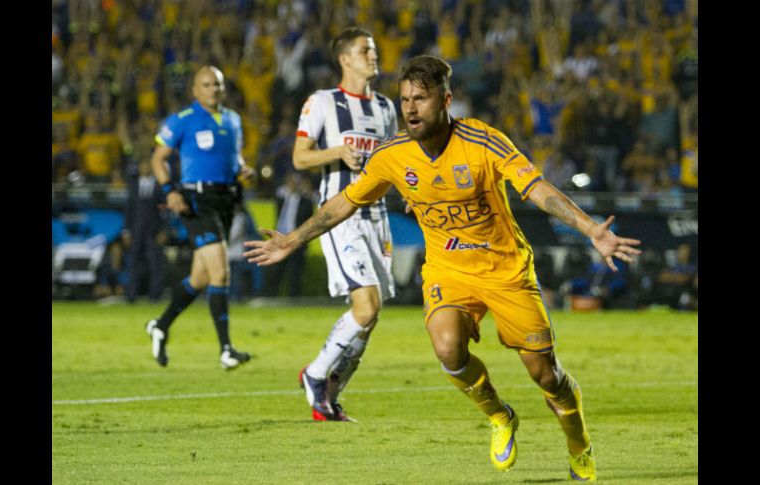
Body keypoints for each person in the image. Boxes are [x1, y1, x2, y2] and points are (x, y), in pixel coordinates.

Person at [245, 55, 642, 481]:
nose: (411, 108)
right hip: (448, 272)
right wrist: (291, 239)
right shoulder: (392, 154)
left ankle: (578, 441)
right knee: (448, 347)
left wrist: (590, 230)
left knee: (545, 373)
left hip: (505, 269)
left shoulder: (484, 142)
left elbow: (537, 189)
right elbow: (344, 202)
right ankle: (499, 414)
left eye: (421, 98)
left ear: (446, 100)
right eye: (405, 99)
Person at [290, 27, 399, 422]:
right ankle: (315, 374)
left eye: (374, 49)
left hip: (378, 217)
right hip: (342, 215)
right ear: (345, 59)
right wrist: (337, 151)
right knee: (365, 308)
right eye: (365, 50)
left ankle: (329, 399)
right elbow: (300, 158)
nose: (374, 56)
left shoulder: (387, 108)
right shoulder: (321, 102)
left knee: (369, 320)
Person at [145, 65, 254, 370]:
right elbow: (158, 159)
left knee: (201, 278)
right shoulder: (182, 121)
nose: (213, 90)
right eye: (206, 85)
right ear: (195, 90)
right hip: (195, 200)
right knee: (220, 272)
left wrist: (243, 170)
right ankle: (226, 350)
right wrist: (170, 191)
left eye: (217, 84)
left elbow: (235, 157)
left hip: (226, 200)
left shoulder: (233, 120)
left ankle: (161, 325)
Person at [124, 159, 167, 303]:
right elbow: (129, 210)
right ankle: (131, 294)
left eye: (148, 165)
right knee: (133, 262)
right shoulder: (133, 185)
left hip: (153, 231)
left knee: (155, 263)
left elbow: (163, 210)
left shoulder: (159, 186)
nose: (146, 167)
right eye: (143, 164)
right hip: (136, 230)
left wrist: (163, 230)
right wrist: (126, 231)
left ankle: (155, 295)